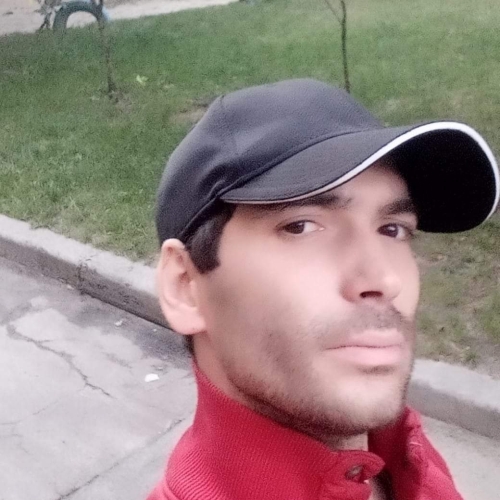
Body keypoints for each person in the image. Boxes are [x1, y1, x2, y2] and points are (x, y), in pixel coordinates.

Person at [147, 79, 499, 500]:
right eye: (301, 226)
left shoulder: (405, 453)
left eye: (393, 229)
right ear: (185, 287)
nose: (384, 280)